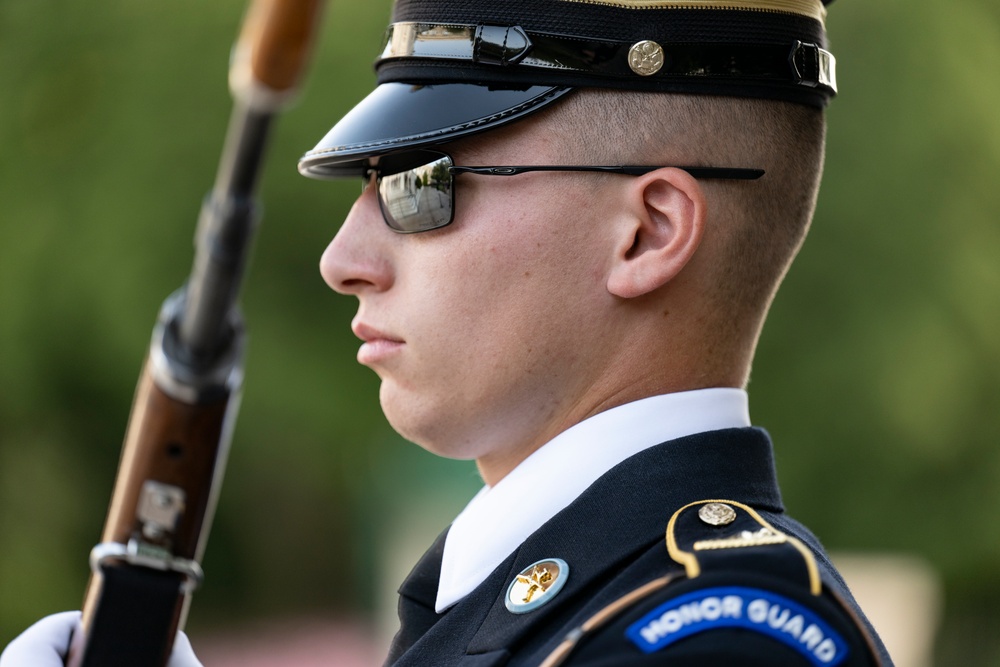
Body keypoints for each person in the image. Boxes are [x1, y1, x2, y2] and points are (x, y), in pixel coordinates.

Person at [3, 0, 894, 665]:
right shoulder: (534, 599)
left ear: (649, 231)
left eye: (418, 186)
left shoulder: (721, 639)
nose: (342, 256)